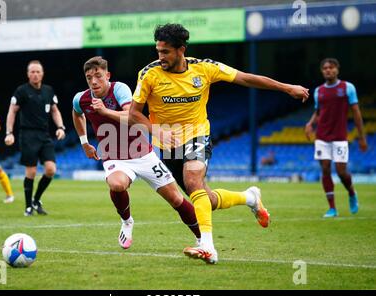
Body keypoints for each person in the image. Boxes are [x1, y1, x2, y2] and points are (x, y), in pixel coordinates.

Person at [129, 23, 310, 264]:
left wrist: (287, 88)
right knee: (205, 198)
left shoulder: (204, 68)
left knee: (193, 182)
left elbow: (246, 78)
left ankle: (207, 247)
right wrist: (156, 130)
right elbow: (133, 114)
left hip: (197, 134)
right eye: (158, 51)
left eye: (165, 52)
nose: (160, 57)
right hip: (167, 143)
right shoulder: (148, 74)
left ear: (181, 49)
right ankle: (250, 197)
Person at [72, 56, 201, 250]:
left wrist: (105, 111)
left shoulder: (119, 89)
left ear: (107, 75)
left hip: (142, 154)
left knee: (176, 199)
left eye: (98, 76)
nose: (94, 81)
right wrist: (84, 143)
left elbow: (131, 116)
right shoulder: (81, 99)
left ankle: (202, 239)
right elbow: (76, 113)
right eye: (89, 77)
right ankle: (127, 221)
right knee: (117, 184)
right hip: (114, 156)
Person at [305, 58, 367, 218]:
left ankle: (352, 193)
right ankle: (332, 208)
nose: (328, 70)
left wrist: (362, 137)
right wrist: (310, 123)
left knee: (341, 171)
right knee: (325, 169)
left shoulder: (348, 88)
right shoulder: (319, 91)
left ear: (337, 70)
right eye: (325, 68)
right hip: (322, 136)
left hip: (340, 136)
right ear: (322, 71)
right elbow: (318, 112)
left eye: (331, 67)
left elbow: (357, 113)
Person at [5, 60, 66, 216]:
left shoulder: (48, 91)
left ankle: (36, 200)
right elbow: (12, 111)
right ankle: (27, 207)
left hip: (44, 135)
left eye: (38, 71)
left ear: (42, 73)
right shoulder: (21, 91)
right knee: (31, 172)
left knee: (51, 169)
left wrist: (60, 127)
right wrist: (9, 132)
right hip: (27, 135)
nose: (35, 74)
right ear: (28, 74)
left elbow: (55, 111)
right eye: (32, 72)